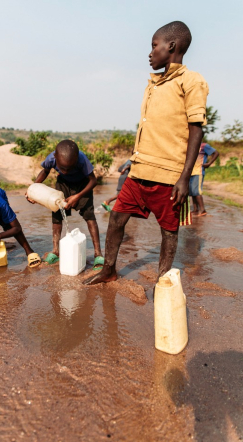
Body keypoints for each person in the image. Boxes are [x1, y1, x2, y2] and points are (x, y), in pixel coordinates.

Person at [84, 21, 209, 286]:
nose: (150, 53)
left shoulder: (191, 81)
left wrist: (185, 177)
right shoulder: (153, 84)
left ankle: (162, 282)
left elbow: (195, 130)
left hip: (168, 175)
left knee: (168, 231)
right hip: (140, 170)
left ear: (171, 46)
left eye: (154, 46)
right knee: (117, 219)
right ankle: (109, 270)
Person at [28, 140, 104, 269]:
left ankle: (98, 254)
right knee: (57, 216)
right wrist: (34, 189)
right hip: (63, 185)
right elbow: (45, 171)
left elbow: (93, 181)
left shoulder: (82, 159)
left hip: (83, 185)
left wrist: (78, 196)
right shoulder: (51, 158)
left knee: (89, 217)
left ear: (75, 161)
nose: (65, 171)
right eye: (62, 168)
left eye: (69, 168)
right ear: (55, 158)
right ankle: (56, 251)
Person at [190, 142, 219, 216]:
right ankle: (195, 209)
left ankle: (202, 210)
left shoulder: (204, 146)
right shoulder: (191, 145)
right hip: (190, 172)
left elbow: (216, 153)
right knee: (192, 192)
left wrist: (209, 163)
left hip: (198, 171)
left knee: (197, 191)